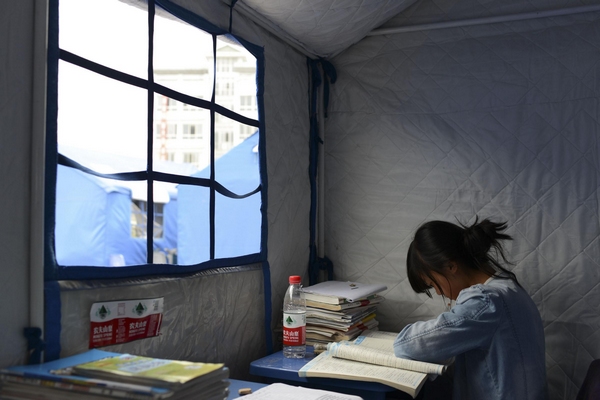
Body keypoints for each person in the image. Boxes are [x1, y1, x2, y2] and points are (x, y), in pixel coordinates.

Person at [393, 217, 548, 400]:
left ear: (451, 266)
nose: (437, 292)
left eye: (433, 283)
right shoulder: (508, 288)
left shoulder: (485, 303)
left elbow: (407, 344)